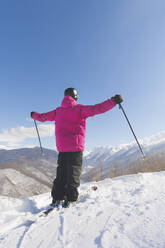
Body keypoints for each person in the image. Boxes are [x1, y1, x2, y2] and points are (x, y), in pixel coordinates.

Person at [31, 88, 123, 207]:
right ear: (75, 96)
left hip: (62, 148)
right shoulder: (80, 109)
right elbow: (97, 108)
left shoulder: (57, 111)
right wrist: (114, 101)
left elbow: (43, 117)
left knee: (61, 173)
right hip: (76, 147)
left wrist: (34, 115)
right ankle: (71, 197)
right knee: (73, 173)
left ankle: (57, 197)